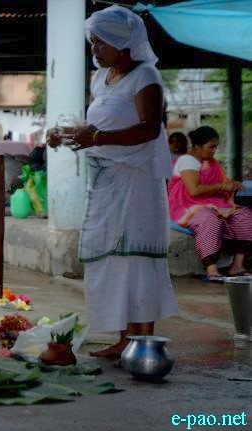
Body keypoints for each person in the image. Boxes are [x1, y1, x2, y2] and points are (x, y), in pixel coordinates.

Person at [46, 5, 177, 360]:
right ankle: (123, 338)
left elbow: (149, 129)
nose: (95, 49)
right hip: (106, 181)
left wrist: (99, 138)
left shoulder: (145, 76)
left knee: (135, 257)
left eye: (100, 42)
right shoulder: (100, 78)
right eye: (92, 42)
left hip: (137, 183)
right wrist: (65, 133)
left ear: (122, 43)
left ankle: (142, 340)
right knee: (112, 259)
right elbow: (96, 127)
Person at [168, 126, 251, 282]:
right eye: (211, 146)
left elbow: (220, 183)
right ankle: (211, 269)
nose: (214, 150)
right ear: (198, 146)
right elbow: (194, 191)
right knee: (209, 219)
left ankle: (237, 266)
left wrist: (231, 185)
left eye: (215, 146)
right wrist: (222, 186)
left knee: (244, 216)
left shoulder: (210, 162)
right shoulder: (187, 161)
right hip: (188, 206)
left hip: (214, 204)